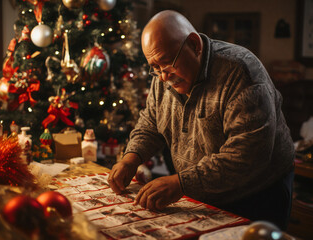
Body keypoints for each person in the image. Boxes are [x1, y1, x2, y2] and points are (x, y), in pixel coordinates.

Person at [108, 10, 295, 230]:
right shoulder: (163, 73)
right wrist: (131, 158)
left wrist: (182, 183)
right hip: (200, 190)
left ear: (195, 45)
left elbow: (246, 155)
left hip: (256, 194)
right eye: (155, 68)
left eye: (167, 65)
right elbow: (151, 122)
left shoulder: (241, 72)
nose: (163, 77)